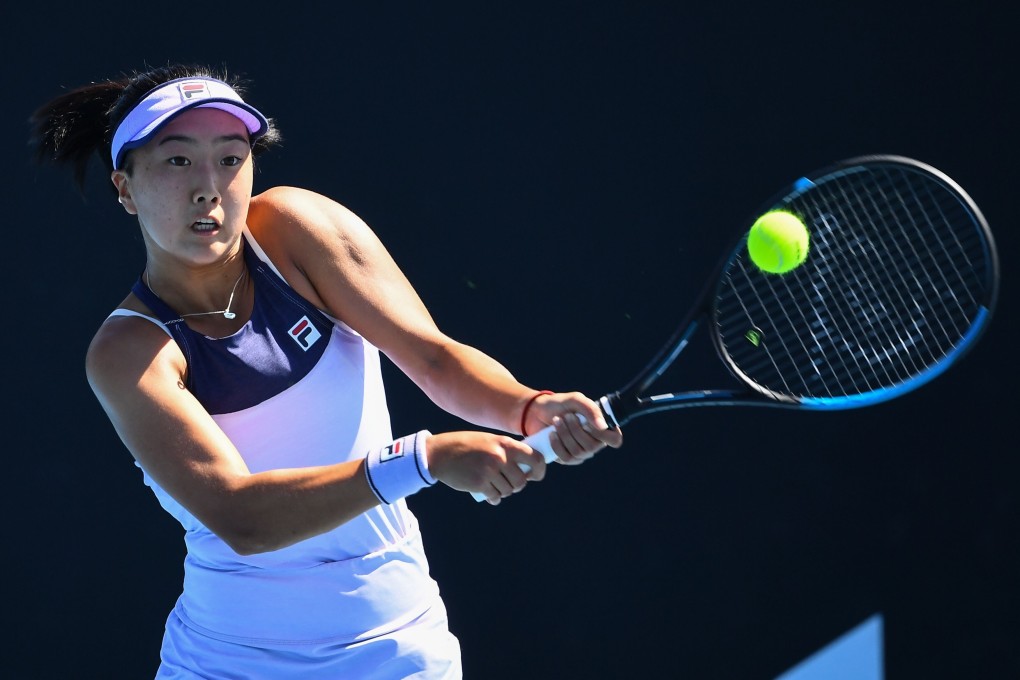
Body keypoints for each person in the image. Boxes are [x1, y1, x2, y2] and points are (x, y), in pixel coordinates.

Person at [29, 64, 622, 679]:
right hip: (227, 665)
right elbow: (243, 519)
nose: (209, 188)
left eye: (231, 159)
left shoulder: (296, 230)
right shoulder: (128, 350)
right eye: (178, 162)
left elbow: (433, 355)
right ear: (124, 188)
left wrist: (528, 408)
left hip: (398, 651)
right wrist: (423, 460)